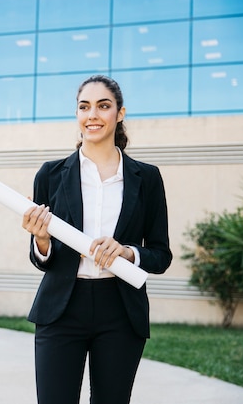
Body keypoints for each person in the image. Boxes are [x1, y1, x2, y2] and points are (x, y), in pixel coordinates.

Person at [22, 75, 172, 404]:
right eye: (84, 107)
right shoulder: (50, 174)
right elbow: (39, 257)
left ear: (119, 113)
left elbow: (161, 255)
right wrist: (42, 240)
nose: (93, 115)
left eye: (103, 106)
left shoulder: (146, 178)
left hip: (120, 311)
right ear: (76, 114)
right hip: (61, 309)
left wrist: (128, 252)